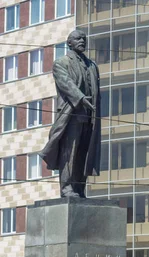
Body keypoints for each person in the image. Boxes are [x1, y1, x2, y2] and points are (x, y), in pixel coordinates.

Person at [40, 29, 101, 198]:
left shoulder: (92, 66)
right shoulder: (61, 62)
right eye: (78, 38)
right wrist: (81, 99)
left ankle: (79, 188)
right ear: (69, 43)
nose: (82, 40)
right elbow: (66, 84)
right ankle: (67, 188)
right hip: (71, 114)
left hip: (89, 117)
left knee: (84, 152)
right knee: (70, 152)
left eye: (84, 38)